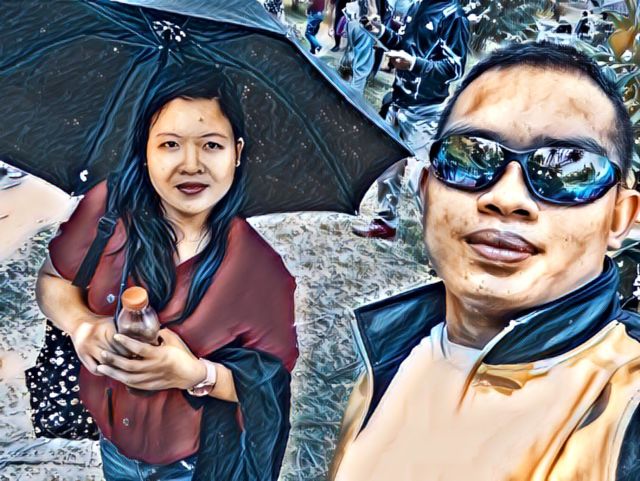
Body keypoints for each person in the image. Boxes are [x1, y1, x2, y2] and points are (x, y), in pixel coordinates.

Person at [331, 42, 640, 481]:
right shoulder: (393, 351)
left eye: (569, 169)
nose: (507, 198)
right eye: (471, 156)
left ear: (619, 217)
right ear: (426, 190)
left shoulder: (626, 405)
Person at [35, 65, 298, 481]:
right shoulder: (109, 209)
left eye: (211, 145)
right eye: (170, 144)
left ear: (237, 152)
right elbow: (53, 281)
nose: (191, 165)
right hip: (113, 451)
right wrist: (82, 323)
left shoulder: (261, 271)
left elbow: (269, 384)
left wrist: (196, 374)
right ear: (146, 150)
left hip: (193, 465)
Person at [352, 0, 469, 239]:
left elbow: (455, 68)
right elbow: (404, 46)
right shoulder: (418, 6)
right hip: (399, 101)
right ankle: (385, 222)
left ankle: (446, 238)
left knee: (424, 179)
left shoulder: (454, 15)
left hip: (425, 111)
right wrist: (379, 31)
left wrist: (414, 64)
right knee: (388, 164)